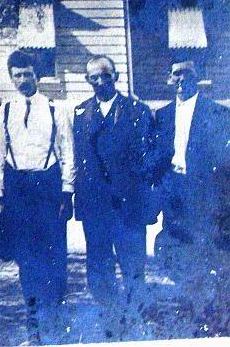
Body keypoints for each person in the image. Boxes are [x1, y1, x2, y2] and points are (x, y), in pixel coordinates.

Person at [0, 50, 74, 345]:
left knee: (54, 260)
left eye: (28, 74)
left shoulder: (55, 109)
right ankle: (34, 331)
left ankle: (56, 328)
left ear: (37, 76)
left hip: (48, 189)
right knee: (27, 263)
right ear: (11, 78)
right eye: (17, 76)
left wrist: (67, 190)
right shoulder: (5, 111)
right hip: (18, 190)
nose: (23, 80)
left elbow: (67, 152)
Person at [72, 55, 155, 336]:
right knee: (98, 263)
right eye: (92, 77)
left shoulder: (138, 111)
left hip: (127, 205)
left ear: (115, 76)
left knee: (132, 263)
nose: (98, 82)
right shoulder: (80, 113)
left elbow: (148, 159)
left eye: (104, 76)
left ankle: (133, 320)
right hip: (95, 206)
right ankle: (109, 316)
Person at [152, 59, 230, 331]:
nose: (181, 79)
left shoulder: (216, 113)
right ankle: (188, 309)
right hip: (174, 193)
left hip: (203, 194)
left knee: (205, 251)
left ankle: (209, 314)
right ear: (170, 79)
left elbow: (223, 160)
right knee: (179, 252)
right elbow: (155, 156)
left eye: (187, 73)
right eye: (176, 74)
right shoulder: (161, 115)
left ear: (197, 77)